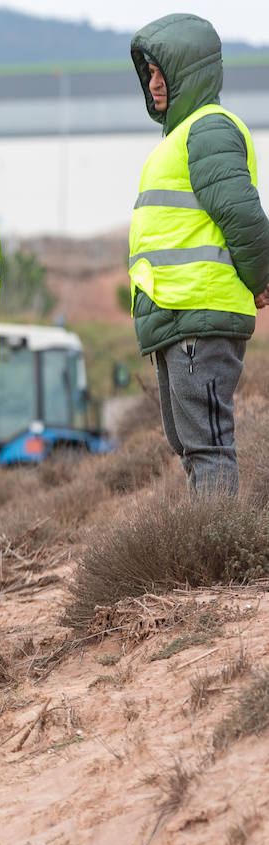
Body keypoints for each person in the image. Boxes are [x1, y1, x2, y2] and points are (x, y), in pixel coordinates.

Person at [128, 14, 269, 498]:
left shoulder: (208, 129)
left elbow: (241, 214)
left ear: (187, 71)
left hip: (198, 316)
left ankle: (218, 564)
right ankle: (210, 552)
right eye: (148, 74)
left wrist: (260, 276)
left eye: (160, 72)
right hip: (179, 317)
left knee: (207, 449)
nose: (152, 83)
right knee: (193, 448)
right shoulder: (182, 136)